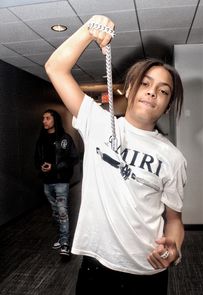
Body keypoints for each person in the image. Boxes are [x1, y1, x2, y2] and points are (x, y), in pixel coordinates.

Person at [45, 15, 187, 293]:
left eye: (163, 91)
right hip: (96, 265)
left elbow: (174, 221)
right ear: (130, 88)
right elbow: (55, 68)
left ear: (168, 106)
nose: (152, 93)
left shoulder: (173, 158)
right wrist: (88, 30)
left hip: (147, 269)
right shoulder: (97, 123)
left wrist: (174, 246)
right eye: (145, 84)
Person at [35, 109, 79, 257]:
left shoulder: (64, 138)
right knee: (56, 212)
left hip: (61, 181)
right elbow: (36, 158)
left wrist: (54, 167)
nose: (44, 121)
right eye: (43, 118)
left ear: (55, 120)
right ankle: (61, 237)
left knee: (62, 212)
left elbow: (73, 159)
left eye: (47, 118)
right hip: (47, 183)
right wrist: (41, 166)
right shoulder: (41, 139)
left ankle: (65, 244)